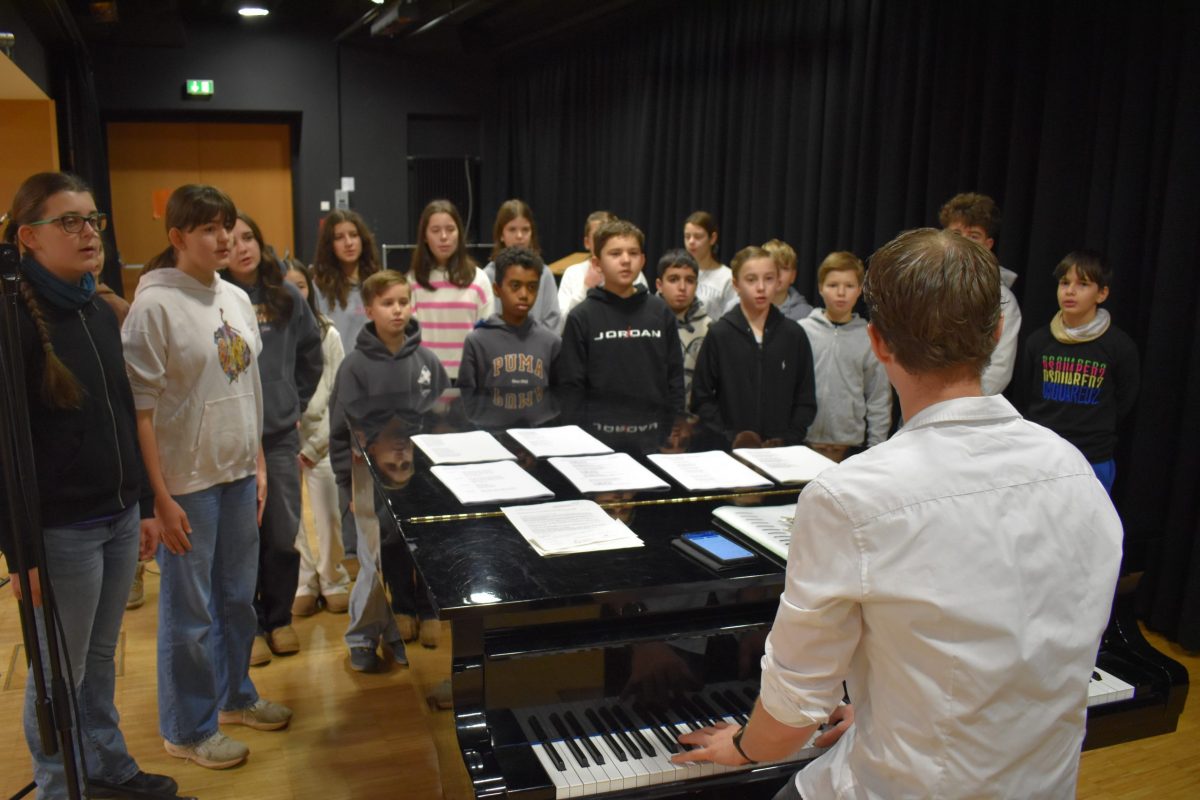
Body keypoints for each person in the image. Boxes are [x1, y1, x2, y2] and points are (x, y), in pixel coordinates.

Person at [675, 228, 1123, 800]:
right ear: (994, 333)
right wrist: (884, 704)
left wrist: (742, 746)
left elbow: (792, 715)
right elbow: (1010, 642)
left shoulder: (850, 496)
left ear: (878, 342)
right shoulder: (1077, 472)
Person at [2, 172, 178, 799]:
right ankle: (60, 786)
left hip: (118, 517)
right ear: (28, 237)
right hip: (62, 532)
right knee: (59, 672)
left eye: (92, 219)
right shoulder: (14, 322)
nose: (89, 232)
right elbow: (6, 452)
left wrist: (143, 504)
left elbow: (123, 415)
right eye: (69, 221)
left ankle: (105, 765)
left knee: (100, 660)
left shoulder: (99, 309)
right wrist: (21, 554)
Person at [123, 184, 292, 771]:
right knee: (189, 615)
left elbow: (247, 389)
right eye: (208, 229)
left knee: (237, 601)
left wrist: (259, 463)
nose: (224, 239)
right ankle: (187, 729)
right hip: (186, 486)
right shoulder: (153, 307)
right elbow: (140, 413)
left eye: (227, 226)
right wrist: (158, 496)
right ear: (177, 237)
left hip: (239, 474)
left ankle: (234, 697)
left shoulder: (236, 297)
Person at [329, 270, 449, 672]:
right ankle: (378, 627)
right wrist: (347, 485)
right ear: (369, 310)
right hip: (370, 483)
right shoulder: (354, 366)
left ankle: (421, 614)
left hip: (419, 477)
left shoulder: (427, 361)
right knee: (378, 557)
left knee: (421, 547)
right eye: (387, 303)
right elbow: (339, 431)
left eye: (403, 301)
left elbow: (443, 421)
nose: (397, 310)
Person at [222, 213, 323, 664]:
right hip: (232, 440)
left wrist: (292, 403)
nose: (242, 247)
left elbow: (311, 354)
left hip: (279, 436)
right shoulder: (216, 296)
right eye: (232, 240)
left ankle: (279, 619)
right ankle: (249, 627)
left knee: (282, 534)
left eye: (249, 237)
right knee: (242, 539)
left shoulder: (286, 295)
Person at [1021, 250, 1139, 493]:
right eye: (1064, 283)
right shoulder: (1038, 341)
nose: (1070, 291)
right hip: (1043, 452)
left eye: (1083, 284)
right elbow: (1024, 394)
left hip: (1092, 456)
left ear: (1102, 293)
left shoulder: (1119, 346)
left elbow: (1124, 400)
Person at [691, 246, 816, 444]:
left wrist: (787, 438)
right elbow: (702, 397)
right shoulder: (720, 334)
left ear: (778, 281)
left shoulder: (794, 335)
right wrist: (730, 436)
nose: (761, 287)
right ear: (736, 284)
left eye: (769, 278)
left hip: (782, 451)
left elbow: (805, 399)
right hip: (730, 449)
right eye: (751, 279)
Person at [555, 219, 684, 411]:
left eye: (633, 253)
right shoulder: (581, 317)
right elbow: (571, 388)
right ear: (597, 264)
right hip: (597, 427)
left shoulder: (660, 311)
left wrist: (676, 418)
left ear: (643, 260)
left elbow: (675, 377)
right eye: (615, 253)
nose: (626, 260)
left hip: (654, 426)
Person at [282, 260, 352, 616]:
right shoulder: (270, 333)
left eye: (300, 285)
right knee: (290, 520)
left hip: (322, 440)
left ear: (309, 288)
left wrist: (314, 446)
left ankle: (333, 577)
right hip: (282, 441)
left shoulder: (328, 334)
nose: (294, 292)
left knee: (328, 515)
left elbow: (339, 396)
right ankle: (303, 581)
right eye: (285, 285)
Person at [799, 251, 891, 448]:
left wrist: (876, 447)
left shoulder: (868, 338)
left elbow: (879, 397)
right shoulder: (802, 331)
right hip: (802, 440)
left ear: (860, 290)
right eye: (833, 285)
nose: (841, 293)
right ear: (820, 288)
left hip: (848, 444)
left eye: (849, 286)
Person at [939, 192, 1021, 395]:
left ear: (988, 244)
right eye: (956, 234)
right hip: (921, 400)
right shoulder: (924, 286)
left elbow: (999, 368)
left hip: (970, 405)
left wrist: (961, 402)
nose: (964, 242)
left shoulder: (1003, 300)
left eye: (974, 236)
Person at [408, 199, 494, 383]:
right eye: (435, 230)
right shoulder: (413, 281)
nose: (444, 237)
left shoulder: (479, 279)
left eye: (450, 229)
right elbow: (409, 337)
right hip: (426, 377)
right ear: (424, 236)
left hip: (469, 377)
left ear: (459, 234)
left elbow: (487, 335)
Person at [459, 246, 561, 391]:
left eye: (532, 287)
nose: (524, 294)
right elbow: (467, 397)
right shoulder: (477, 341)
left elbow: (559, 397)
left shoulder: (551, 343)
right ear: (497, 289)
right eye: (515, 286)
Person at [556, 210, 648, 329]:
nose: (603, 241)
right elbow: (560, 326)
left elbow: (646, 315)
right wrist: (585, 287)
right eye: (597, 236)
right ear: (587, 242)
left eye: (609, 236)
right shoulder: (572, 273)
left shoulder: (631, 272)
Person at [481, 199, 561, 332]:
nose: (519, 236)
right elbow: (484, 321)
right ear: (501, 235)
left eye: (525, 230)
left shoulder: (544, 273)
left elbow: (552, 321)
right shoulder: (487, 275)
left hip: (538, 344)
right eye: (512, 229)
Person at [310, 209, 381, 355]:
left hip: (372, 364)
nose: (348, 243)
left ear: (362, 240)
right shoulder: (318, 288)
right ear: (329, 245)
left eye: (354, 235)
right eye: (339, 237)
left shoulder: (378, 283)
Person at [654, 249, 710, 404]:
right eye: (673, 279)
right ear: (659, 285)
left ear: (696, 285)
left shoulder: (710, 328)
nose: (682, 287)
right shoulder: (644, 324)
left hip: (694, 414)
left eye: (690, 280)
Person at [683, 210, 735, 320]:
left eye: (698, 237)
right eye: (687, 236)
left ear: (712, 238)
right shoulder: (678, 273)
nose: (691, 242)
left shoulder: (727, 278)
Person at [762, 239, 813, 322]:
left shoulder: (807, 316)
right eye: (772, 266)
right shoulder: (744, 308)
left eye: (784, 268)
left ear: (793, 276)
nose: (777, 273)